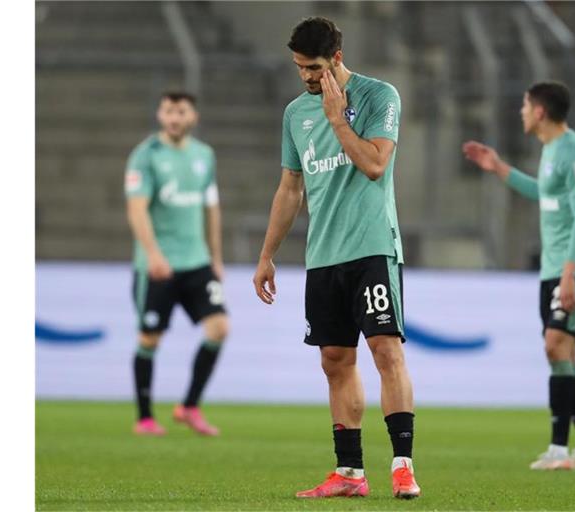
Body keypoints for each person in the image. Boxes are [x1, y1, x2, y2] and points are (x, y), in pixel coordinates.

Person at [252, 17, 421, 499]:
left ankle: (403, 466)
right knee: (334, 360)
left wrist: (334, 118)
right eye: (299, 67)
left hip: (371, 246)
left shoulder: (378, 96)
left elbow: (373, 164)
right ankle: (349, 474)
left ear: (338, 58)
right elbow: (290, 187)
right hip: (323, 254)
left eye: (314, 66)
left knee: (386, 350)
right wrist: (267, 254)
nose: (306, 76)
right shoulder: (293, 115)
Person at [462, 81, 575, 470]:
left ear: (540, 111)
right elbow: (544, 193)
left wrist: (570, 272)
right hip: (555, 267)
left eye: (526, 105)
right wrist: (498, 168)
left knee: (554, 346)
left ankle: (560, 448)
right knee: (562, 352)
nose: (522, 112)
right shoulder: (552, 151)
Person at [125, 91, 228, 437]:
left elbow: (211, 208)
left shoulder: (204, 156)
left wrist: (215, 257)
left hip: (196, 261)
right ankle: (145, 418)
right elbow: (137, 209)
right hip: (159, 265)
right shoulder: (146, 156)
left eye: (180, 111)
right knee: (150, 338)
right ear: (160, 114)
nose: (174, 117)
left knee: (219, 328)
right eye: (168, 110)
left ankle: (189, 406)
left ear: (193, 117)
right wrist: (153, 254)